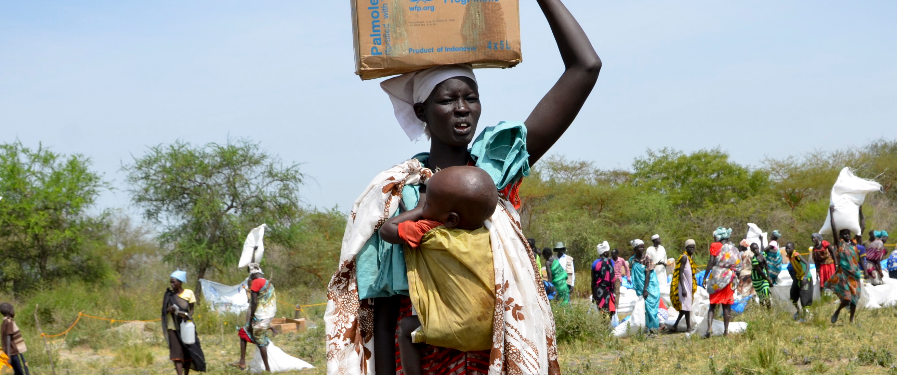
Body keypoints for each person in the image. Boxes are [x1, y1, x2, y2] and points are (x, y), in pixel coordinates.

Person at [326, 0, 600, 370]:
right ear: (421, 110)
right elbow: (385, 306)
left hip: (496, 354)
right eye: (447, 100)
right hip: (423, 358)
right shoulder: (395, 192)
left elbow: (586, 67)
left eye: (471, 97)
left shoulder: (496, 173)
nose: (462, 108)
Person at [379, 166, 498, 375]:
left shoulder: (432, 232)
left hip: (457, 327)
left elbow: (387, 230)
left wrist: (419, 207)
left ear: (451, 220)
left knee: (406, 327)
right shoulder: (491, 235)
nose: (427, 207)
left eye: (431, 203)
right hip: (491, 329)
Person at [161, 270, 206, 375]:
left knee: (188, 351)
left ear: (180, 282)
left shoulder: (189, 293)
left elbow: (192, 309)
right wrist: (170, 309)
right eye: (171, 282)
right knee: (176, 353)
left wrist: (188, 316)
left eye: (174, 282)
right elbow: (164, 310)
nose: (172, 285)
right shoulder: (169, 295)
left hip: (186, 326)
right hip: (173, 327)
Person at [232, 264, 275, 372]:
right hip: (268, 315)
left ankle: (267, 369)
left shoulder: (256, 282)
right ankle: (242, 361)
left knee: (260, 341)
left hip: (260, 316)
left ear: (252, 275)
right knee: (243, 332)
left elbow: (254, 302)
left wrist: (251, 318)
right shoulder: (268, 283)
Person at [825, 205, 863, 324]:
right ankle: (837, 311)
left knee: (854, 299)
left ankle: (851, 320)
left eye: (848, 234)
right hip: (844, 275)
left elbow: (862, 227)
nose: (847, 235)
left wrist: (860, 211)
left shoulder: (854, 243)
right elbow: (834, 228)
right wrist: (831, 213)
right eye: (844, 234)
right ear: (841, 236)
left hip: (855, 275)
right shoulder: (839, 244)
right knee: (847, 298)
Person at [702, 227, 741, 338]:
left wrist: (705, 277)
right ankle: (726, 331)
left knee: (712, 304)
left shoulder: (715, 246)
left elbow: (711, 261)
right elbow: (738, 265)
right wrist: (736, 278)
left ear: (718, 237)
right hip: (728, 278)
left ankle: (709, 328)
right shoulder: (733, 248)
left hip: (716, 278)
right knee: (726, 306)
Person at [630, 239, 660, 334]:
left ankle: (654, 327)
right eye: (640, 247)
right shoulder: (632, 260)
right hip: (640, 286)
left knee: (650, 305)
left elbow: (648, 274)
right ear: (635, 248)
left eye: (643, 246)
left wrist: (645, 289)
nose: (642, 248)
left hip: (649, 285)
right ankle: (647, 326)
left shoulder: (647, 258)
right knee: (644, 306)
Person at [671, 239, 698, 333]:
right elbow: (680, 273)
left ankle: (675, 325)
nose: (692, 249)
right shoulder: (684, 257)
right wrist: (683, 288)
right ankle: (689, 328)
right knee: (687, 308)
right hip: (684, 285)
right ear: (686, 248)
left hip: (688, 286)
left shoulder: (691, 258)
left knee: (685, 307)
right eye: (690, 247)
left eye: (693, 247)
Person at [785, 242, 813, 320]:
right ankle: (798, 311)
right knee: (793, 295)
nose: (787, 249)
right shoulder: (790, 256)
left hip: (805, 277)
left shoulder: (796, 255)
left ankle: (806, 316)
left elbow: (807, 264)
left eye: (789, 248)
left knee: (804, 297)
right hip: (798, 277)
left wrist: (805, 277)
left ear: (793, 248)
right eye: (786, 248)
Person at [1, 303, 29, 375]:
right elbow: (8, 338)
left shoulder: (4, 322)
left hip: (10, 352)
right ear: (9, 311)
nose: (13, 311)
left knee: (17, 371)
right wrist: (9, 357)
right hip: (12, 353)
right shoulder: (9, 322)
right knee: (19, 372)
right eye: (12, 309)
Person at [591, 241, 615, 314]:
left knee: (601, 311)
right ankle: (607, 324)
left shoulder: (595, 263)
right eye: (608, 252)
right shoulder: (610, 262)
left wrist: (593, 294)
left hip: (598, 291)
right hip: (608, 291)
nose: (609, 253)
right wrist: (614, 291)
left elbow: (593, 281)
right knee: (609, 311)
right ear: (605, 253)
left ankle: (602, 324)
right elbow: (613, 278)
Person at [750, 243, 773, 309]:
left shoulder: (763, 254)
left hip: (764, 279)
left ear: (758, 248)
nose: (756, 250)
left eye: (756, 248)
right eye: (754, 249)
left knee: (766, 295)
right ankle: (763, 313)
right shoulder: (754, 260)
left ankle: (769, 312)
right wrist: (768, 280)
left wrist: (768, 276)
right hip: (757, 281)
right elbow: (760, 272)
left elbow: (766, 265)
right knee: (761, 298)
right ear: (751, 250)